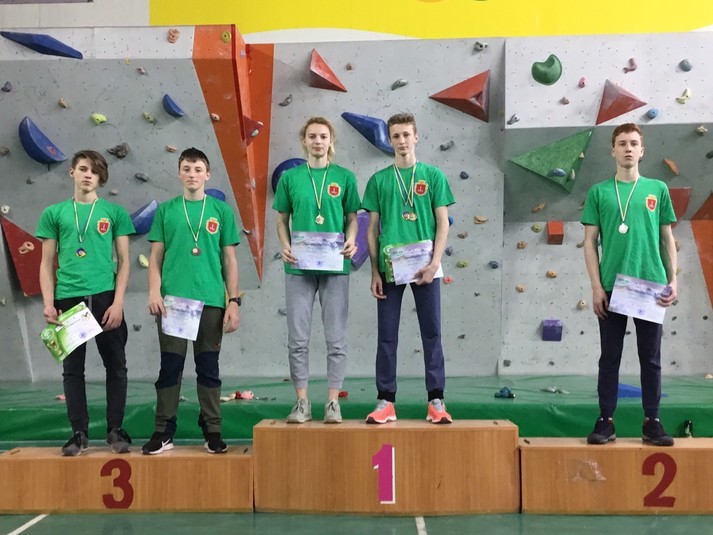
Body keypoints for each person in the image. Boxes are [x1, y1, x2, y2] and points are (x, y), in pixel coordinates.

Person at [581, 123, 677, 447]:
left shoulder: (657, 189)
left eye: (634, 143)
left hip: (650, 285)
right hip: (612, 285)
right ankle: (605, 421)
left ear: (642, 150)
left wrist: (673, 279)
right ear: (613, 150)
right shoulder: (599, 192)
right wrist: (596, 286)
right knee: (610, 356)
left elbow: (667, 237)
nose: (628, 148)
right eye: (622, 143)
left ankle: (653, 421)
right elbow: (589, 242)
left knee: (651, 357)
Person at [142, 147, 240, 455]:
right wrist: (154, 292)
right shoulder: (167, 211)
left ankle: (212, 430)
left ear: (207, 175)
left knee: (208, 368)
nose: (192, 174)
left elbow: (230, 260)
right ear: (179, 173)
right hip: (173, 303)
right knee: (170, 367)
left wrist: (233, 301)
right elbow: (155, 258)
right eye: (186, 168)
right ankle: (163, 430)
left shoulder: (221, 211)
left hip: (211, 301)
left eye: (198, 169)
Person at [37, 150, 135, 456]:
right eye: (82, 169)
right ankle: (78, 433)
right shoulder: (54, 213)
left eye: (94, 171)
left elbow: (124, 261)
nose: (88, 175)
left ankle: (115, 429)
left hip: (105, 297)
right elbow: (45, 263)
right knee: (72, 369)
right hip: (68, 299)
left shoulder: (114, 213)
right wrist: (49, 302)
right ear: (72, 173)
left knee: (116, 366)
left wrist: (118, 302)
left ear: (101, 178)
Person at [361, 112, 455, 424]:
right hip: (391, 269)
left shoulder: (433, 175)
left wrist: (435, 263)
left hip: (426, 267)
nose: (402, 141)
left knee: (432, 332)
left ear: (416, 137)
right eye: (396, 136)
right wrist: (375, 271)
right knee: (387, 336)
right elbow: (371, 230)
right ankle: (385, 401)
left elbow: (443, 223)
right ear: (389, 140)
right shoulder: (378, 180)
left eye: (406, 135)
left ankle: (436, 400)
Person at [273, 117, 360, 424]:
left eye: (323, 136)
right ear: (304, 141)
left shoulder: (344, 177)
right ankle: (302, 403)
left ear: (331, 140)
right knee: (298, 338)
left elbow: (352, 218)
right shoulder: (290, 178)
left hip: (335, 265)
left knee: (336, 338)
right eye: (312, 136)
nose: (318, 141)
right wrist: (285, 245)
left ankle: (333, 402)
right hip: (299, 267)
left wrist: (352, 239)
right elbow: (281, 219)